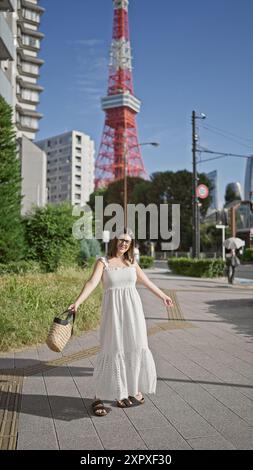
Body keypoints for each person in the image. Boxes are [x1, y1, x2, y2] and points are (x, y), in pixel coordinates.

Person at [68, 228, 173, 417]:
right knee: (112, 349)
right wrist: (77, 302)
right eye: (121, 240)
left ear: (131, 244)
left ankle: (127, 391)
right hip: (113, 313)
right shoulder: (104, 262)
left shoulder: (132, 262)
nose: (124, 243)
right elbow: (91, 283)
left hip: (133, 312)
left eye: (128, 241)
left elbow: (146, 281)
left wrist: (163, 296)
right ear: (115, 240)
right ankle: (97, 396)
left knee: (135, 346)